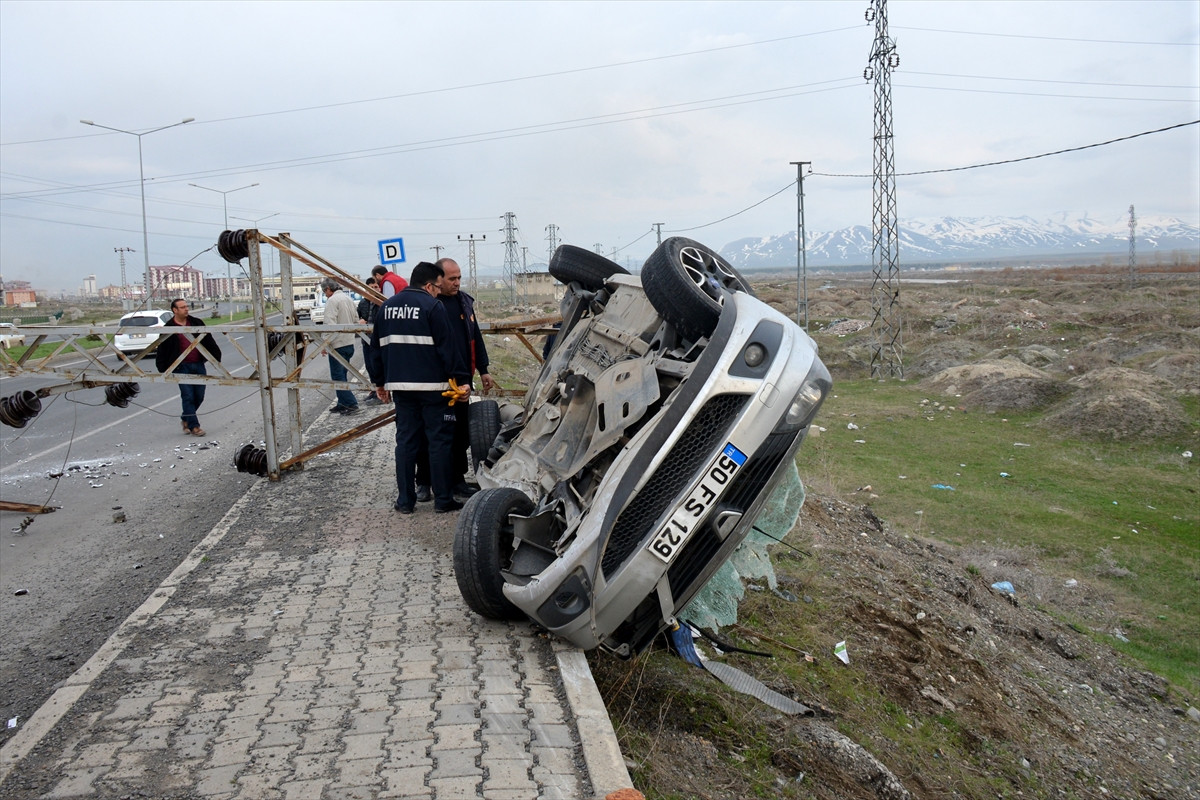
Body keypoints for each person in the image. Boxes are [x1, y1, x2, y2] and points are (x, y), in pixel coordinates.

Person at [368, 262, 470, 514]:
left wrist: (379, 382)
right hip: (434, 388)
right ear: (428, 286)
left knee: (405, 443)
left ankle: (405, 501)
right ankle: (443, 500)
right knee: (439, 442)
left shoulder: (387, 307)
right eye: (437, 287)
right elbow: (448, 348)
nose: (438, 292)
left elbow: (375, 349)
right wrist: (461, 380)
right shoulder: (433, 306)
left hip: (401, 389)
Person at [433, 257, 497, 497]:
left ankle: (458, 480)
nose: (457, 282)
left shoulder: (464, 303)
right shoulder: (431, 305)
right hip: (438, 381)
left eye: (459, 277)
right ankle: (427, 481)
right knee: (436, 434)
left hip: (462, 381)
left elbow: (475, 337)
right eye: (452, 278)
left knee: (460, 432)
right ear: (438, 279)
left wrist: (484, 369)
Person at [155, 298, 222, 436]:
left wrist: (216, 356)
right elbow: (163, 349)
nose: (186, 309)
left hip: (198, 364)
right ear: (175, 310)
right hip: (181, 367)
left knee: (199, 396)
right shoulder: (169, 327)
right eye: (182, 307)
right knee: (188, 396)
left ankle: (186, 417)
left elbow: (208, 340)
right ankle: (194, 426)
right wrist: (162, 367)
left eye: (186, 306)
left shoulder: (196, 323)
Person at [321, 277, 360, 415]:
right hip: (349, 342)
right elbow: (356, 320)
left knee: (338, 375)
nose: (325, 294)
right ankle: (342, 403)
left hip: (337, 344)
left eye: (324, 291)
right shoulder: (348, 299)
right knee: (343, 373)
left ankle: (350, 403)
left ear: (328, 289)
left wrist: (325, 343)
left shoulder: (332, 301)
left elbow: (329, 324)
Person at [357, 276, 382, 406]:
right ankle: (373, 390)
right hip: (366, 340)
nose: (374, 289)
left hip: (378, 341)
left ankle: (381, 392)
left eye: (376, 287)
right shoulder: (363, 303)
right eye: (371, 288)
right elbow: (358, 317)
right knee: (369, 366)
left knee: (378, 366)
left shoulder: (381, 302)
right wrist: (360, 321)